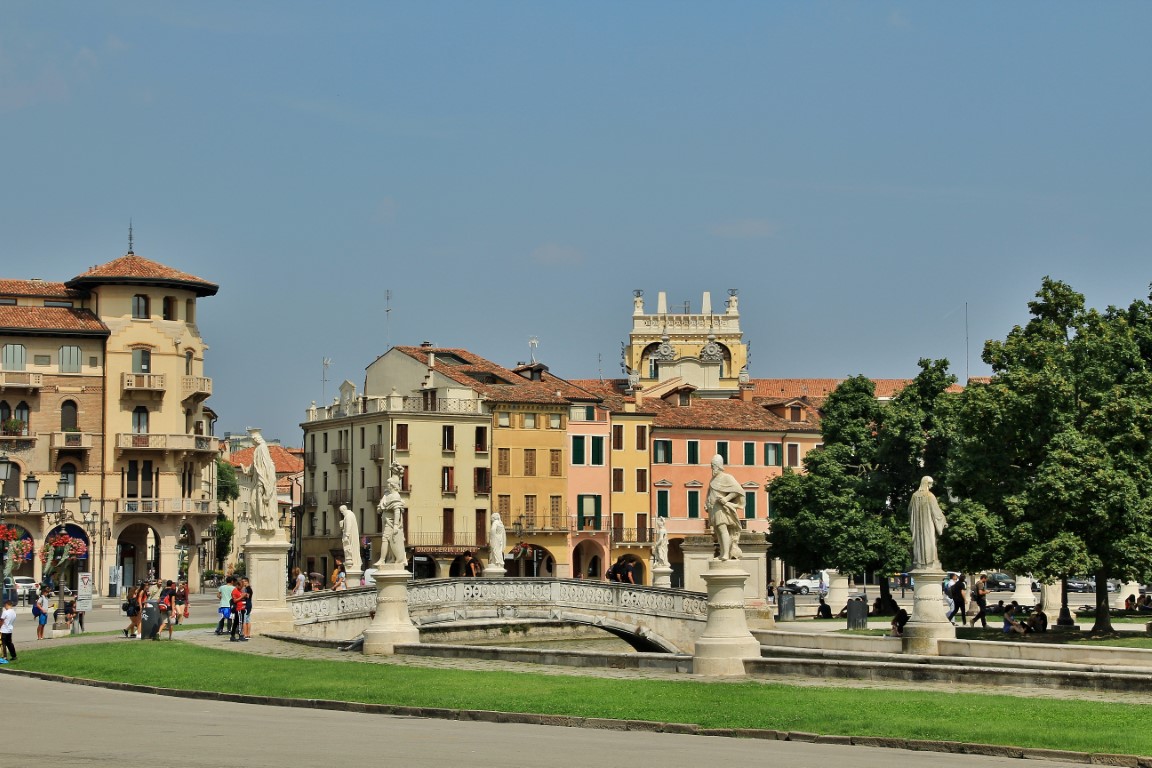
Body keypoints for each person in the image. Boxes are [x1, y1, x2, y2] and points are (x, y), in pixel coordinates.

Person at [706, 454, 745, 561]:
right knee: (718, 531)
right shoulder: (712, 480)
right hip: (713, 508)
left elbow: (738, 491)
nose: (712, 469)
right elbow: (710, 493)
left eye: (713, 466)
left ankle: (726, 554)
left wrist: (726, 499)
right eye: (711, 466)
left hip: (721, 508)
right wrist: (707, 503)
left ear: (718, 466)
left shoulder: (727, 477)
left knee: (723, 529)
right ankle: (722, 552)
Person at [908, 476, 947, 570]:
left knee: (919, 543)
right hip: (928, 526)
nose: (931, 486)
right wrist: (943, 521)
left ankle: (919, 561)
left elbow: (909, 511)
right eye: (930, 483)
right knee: (930, 541)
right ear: (927, 483)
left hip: (918, 529)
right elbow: (936, 512)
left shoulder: (914, 496)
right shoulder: (930, 496)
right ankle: (930, 561)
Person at [244, 429, 279, 531]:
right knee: (253, 502)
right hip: (258, 481)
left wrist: (264, 484)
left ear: (256, 439)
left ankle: (264, 524)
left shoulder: (262, 448)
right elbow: (256, 464)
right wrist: (247, 471)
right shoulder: (258, 449)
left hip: (261, 482)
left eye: (252, 439)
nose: (251, 441)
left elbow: (265, 465)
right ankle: (258, 523)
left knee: (257, 503)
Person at [377, 476, 407, 565]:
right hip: (386, 520)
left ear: (392, 485)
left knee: (385, 539)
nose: (387, 486)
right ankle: (390, 558)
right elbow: (381, 507)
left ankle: (382, 559)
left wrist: (395, 525)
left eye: (389, 484)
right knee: (388, 540)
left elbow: (397, 511)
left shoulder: (395, 496)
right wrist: (380, 508)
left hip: (390, 522)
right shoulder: (387, 496)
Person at [229, 577, 248, 642]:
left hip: (242, 608)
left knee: (236, 622)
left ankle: (232, 635)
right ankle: (241, 635)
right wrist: (242, 596)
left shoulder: (239, 590)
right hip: (238, 609)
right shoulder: (235, 591)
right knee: (240, 622)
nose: (242, 588)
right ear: (237, 585)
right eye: (241, 586)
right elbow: (235, 600)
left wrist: (245, 596)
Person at [1, 598, 17, 663]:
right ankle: (14, 655)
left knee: (3, 644)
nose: (4, 606)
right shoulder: (13, 612)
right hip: (10, 629)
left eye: (5, 605)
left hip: (4, 630)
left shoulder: (5, 612)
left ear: (7, 604)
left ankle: (4, 656)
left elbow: (1, 621)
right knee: (9, 643)